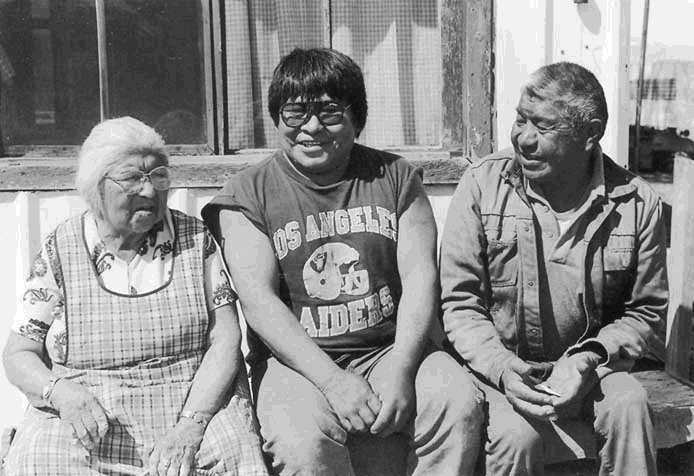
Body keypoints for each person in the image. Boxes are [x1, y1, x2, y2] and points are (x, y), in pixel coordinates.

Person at [202, 47, 483, 476]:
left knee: (455, 401)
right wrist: (332, 382)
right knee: (301, 441)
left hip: (389, 347)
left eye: (330, 112)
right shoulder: (247, 192)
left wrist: (403, 368)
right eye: (295, 113)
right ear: (277, 119)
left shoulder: (396, 177)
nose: (312, 127)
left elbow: (420, 276)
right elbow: (258, 302)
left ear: (357, 118)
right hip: (294, 361)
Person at [2, 117, 268, 476]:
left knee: (232, 452)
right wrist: (59, 392)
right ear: (96, 187)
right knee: (42, 458)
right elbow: (20, 353)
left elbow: (226, 340)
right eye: (131, 179)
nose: (149, 191)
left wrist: (191, 425)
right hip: (91, 405)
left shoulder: (194, 239)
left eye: (158, 176)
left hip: (189, 397)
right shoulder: (61, 248)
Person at [440, 62, 668, 476]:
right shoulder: (482, 185)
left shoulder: (636, 204)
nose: (523, 138)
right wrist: (503, 369)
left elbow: (646, 315)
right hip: (500, 373)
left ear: (590, 134)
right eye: (520, 120)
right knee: (515, 439)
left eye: (542, 128)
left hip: (591, 372)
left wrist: (587, 360)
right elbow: (460, 303)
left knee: (629, 406)